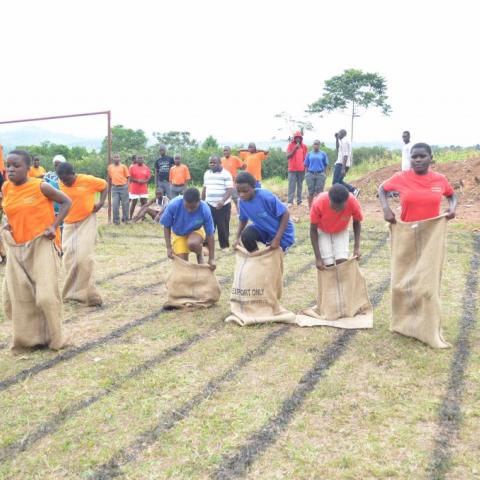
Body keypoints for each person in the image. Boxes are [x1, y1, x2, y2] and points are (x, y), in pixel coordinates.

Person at [2, 150, 71, 350]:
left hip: (41, 244)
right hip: (17, 247)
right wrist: (8, 224)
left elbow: (66, 201)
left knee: (45, 296)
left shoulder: (40, 186)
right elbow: (11, 212)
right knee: (21, 296)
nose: (11, 169)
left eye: (16, 165)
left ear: (28, 168)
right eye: (9, 165)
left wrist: (54, 225)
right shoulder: (6, 188)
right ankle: (32, 339)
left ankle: (56, 338)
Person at [58, 162, 108, 306]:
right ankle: (71, 295)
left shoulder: (88, 180)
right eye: (62, 180)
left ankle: (90, 295)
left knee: (83, 259)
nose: (65, 183)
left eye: (67, 179)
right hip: (68, 224)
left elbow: (104, 185)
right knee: (68, 259)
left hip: (86, 221)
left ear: (74, 173)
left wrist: (100, 203)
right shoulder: (58, 184)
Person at [378, 143, 457, 223]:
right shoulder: (401, 177)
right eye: (414, 157)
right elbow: (382, 189)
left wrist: (452, 208)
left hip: (432, 231)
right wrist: (386, 209)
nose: (418, 160)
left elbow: (451, 195)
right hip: (408, 230)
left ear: (431, 158)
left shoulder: (440, 179)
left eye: (422, 156)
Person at [234, 171, 295, 252]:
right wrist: (237, 237)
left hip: (282, 233)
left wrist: (277, 239)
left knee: (273, 258)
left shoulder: (266, 197)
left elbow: (286, 213)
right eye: (238, 191)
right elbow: (243, 219)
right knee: (246, 236)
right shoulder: (241, 202)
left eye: (245, 191)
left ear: (253, 187)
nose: (241, 194)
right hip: (263, 229)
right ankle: (258, 259)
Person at [309, 184, 362, 270]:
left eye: (340, 207)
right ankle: (329, 283)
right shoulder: (319, 202)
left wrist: (357, 247)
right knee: (327, 264)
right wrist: (318, 258)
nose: (337, 210)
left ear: (346, 201)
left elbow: (357, 223)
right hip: (323, 230)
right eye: (334, 207)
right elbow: (313, 229)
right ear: (329, 200)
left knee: (342, 262)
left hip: (341, 229)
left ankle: (343, 283)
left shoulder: (352, 201)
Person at [160, 187, 216, 269]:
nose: (189, 210)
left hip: (196, 231)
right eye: (186, 207)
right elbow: (166, 226)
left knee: (193, 244)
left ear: (199, 202)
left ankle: (199, 253)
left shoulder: (205, 209)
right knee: (184, 266)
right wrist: (169, 247)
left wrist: (211, 258)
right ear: (183, 200)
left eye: (193, 207)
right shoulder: (174, 204)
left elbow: (210, 234)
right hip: (179, 233)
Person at [202, 155, 234, 250]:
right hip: (209, 204)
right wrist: (201, 202)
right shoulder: (207, 173)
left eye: (214, 162)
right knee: (208, 226)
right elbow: (204, 188)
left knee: (222, 226)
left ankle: (224, 246)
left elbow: (230, 189)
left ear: (220, 163)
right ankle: (206, 246)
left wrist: (222, 201)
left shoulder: (226, 174)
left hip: (223, 205)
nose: (212, 164)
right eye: (210, 162)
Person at [333, 129, 359, 197]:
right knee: (339, 181)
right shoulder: (343, 141)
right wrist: (336, 139)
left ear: (342, 134)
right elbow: (337, 149)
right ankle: (353, 190)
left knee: (335, 182)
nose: (338, 134)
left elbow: (345, 155)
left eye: (339, 133)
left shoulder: (344, 141)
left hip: (341, 164)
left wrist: (343, 168)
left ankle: (352, 191)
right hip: (343, 164)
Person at [304, 140, 329, 208]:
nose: (316, 145)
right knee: (310, 192)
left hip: (320, 174)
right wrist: (306, 174)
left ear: (319, 145)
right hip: (310, 174)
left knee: (320, 192)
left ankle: (319, 207)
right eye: (315, 144)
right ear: (313, 145)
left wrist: (325, 174)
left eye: (317, 144)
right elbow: (306, 165)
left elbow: (326, 164)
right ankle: (310, 208)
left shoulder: (323, 154)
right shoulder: (309, 154)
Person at [286, 131, 307, 207]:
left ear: (301, 138)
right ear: (294, 138)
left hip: (301, 169)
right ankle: (290, 201)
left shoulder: (304, 146)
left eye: (299, 138)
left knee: (300, 185)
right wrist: (294, 149)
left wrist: (305, 169)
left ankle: (299, 201)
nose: (298, 139)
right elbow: (287, 156)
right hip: (292, 170)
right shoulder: (290, 145)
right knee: (291, 185)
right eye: (296, 138)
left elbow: (305, 159)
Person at [108, 153, 130, 224]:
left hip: (123, 187)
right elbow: (109, 178)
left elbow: (128, 177)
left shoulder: (123, 166)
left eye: (118, 157)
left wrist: (127, 186)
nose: (116, 158)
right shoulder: (110, 167)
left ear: (120, 158)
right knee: (115, 205)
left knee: (125, 205)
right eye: (115, 157)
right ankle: (116, 221)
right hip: (115, 188)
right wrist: (109, 186)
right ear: (113, 159)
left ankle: (125, 219)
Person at [221, 146, 244, 210]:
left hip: (233, 183)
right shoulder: (221, 160)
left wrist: (239, 175)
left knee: (236, 199)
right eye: (224, 151)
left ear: (230, 151)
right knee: (224, 200)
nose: (225, 152)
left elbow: (243, 166)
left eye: (226, 150)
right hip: (223, 184)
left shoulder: (234, 158)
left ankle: (240, 214)